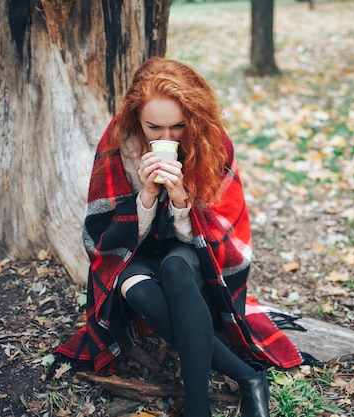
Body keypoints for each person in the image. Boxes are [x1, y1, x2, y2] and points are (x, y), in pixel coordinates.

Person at [53, 57, 304, 417]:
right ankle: (248, 376)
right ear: (136, 118)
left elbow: (222, 232)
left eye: (178, 127)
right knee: (134, 286)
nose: (167, 138)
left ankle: (197, 408)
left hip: (190, 254)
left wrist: (183, 200)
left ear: (194, 118)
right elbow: (102, 239)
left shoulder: (212, 142)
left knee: (175, 270)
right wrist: (147, 196)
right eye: (154, 127)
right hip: (133, 253)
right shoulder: (119, 141)